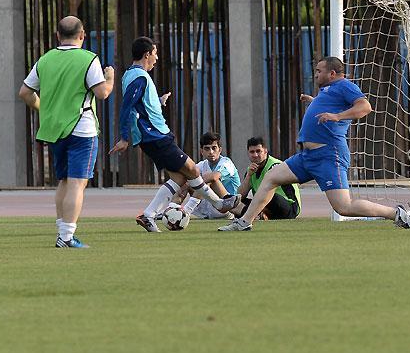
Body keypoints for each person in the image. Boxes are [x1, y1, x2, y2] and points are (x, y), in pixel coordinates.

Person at [218, 56, 410, 231]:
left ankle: (396, 213)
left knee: (343, 207)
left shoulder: (344, 85)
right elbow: (329, 108)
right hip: (307, 157)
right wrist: (315, 102)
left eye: (319, 71)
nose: (315, 74)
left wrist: (337, 116)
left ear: (332, 73)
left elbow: (365, 107)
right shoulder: (327, 90)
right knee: (271, 178)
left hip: (329, 155)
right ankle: (244, 222)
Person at [109, 36, 240, 232]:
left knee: (180, 179)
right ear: (147, 54)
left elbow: (140, 105)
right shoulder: (139, 77)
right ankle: (219, 203)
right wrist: (124, 138)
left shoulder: (130, 74)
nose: (157, 58)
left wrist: (158, 101)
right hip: (156, 137)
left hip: (152, 136)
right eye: (155, 53)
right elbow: (126, 106)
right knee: (193, 170)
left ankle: (148, 215)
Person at [18, 16, 115, 248]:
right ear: (82, 35)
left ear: (58, 36)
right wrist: (110, 78)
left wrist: (42, 108)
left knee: (63, 181)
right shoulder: (88, 59)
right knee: (77, 183)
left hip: (55, 130)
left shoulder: (45, 59)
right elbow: (102, 93)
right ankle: (67, 236)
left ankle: (62, 232)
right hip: (82, 129)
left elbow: (25, 93)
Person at [233, 136, 301, 220]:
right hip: (265, 206)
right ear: (248, 153)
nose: (255, 155)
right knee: (235, 201)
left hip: (288, 207)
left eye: (258, 151)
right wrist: (249, 176)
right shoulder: (250, 170)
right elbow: (241, 195)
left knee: (269, 195)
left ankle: (255, 214)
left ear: (265, 151)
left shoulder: (276, 166)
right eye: (252, 152)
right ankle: (260, 215)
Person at [180, 132, 241, 219]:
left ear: (220, 150)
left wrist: (192, 183)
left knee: (210, 180)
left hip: (227, 208)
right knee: (185, 182)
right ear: (202, 151)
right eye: (207, 149)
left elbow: (214, 177)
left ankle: (187, 210)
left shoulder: (226, 162)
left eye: (214, 148)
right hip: (207, 209)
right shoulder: (201, 165)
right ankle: (173, 209)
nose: (211, 152)